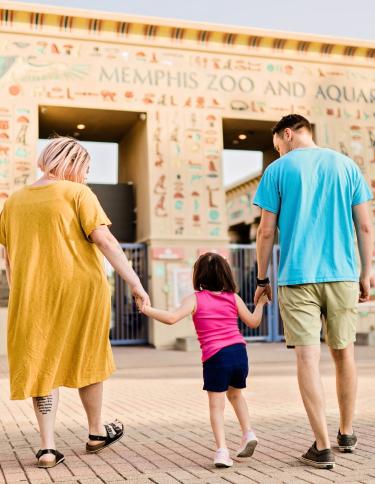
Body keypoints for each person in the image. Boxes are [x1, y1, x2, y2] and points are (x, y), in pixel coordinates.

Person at [0, 136, 150, 468]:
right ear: (70, 163)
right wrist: (136, 283)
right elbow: (105, 239)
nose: (84, 176)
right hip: (81, 290)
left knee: (41, 364)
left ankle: (47, 447)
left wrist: (21, 291)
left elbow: (8, 257)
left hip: (32, 295)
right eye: (84, 168)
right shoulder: (78, 193)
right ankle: (96, 432)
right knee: (89, 355)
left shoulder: (13, 203)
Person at [253, 114, 373, 469]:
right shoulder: (347, 166)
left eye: (277, 146)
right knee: (344, 353)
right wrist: (366, 273)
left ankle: (321, 446)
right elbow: (365, 226)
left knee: (307, 358)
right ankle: (347, 433)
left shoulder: (277, 171)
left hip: (297, 276)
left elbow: (265, 231)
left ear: (287, 134)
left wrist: (262, 279)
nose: (278, 153)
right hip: (342, 276)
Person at [139, 252, 268, 468]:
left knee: (216, 407)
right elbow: (253, 322)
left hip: (216, 356)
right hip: (239, 353)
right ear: (226, 275)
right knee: (236, 394)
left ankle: (222, 451)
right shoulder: (233, 297)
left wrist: (146, 309)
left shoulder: (195, 299)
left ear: (198, 276)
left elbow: (171, 319)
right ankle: (248, 432)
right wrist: (261, 303)